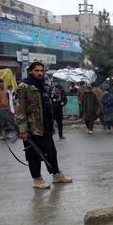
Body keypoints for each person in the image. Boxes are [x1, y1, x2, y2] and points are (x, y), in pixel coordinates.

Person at [14, 60, 72, 189]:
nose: (40, 73)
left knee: (51, 151)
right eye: (37, 71)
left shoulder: (44, 86)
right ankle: (37, 179)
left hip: (45, 126)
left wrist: (53, 123)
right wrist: (22, 130)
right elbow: (19, 110)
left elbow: (47, 107)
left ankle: (57, 175)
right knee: (33, 154)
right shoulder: (23, 87)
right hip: (32, 128)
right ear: (30, 71)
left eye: (41, 71)